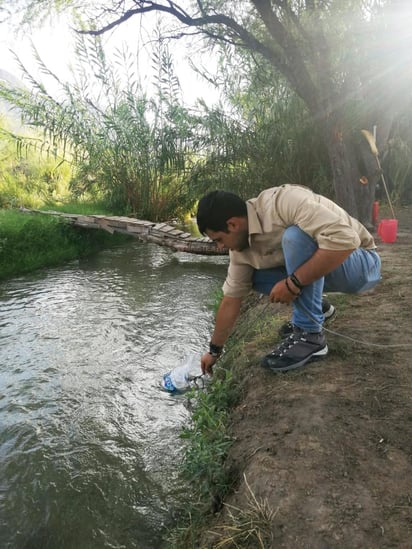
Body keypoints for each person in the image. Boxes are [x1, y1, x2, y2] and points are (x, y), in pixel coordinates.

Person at [196, 184, 381, 374]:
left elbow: (345, 240)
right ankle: (319, 310)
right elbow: (231, 299)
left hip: (363, 263)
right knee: (253, 276)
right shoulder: (240, 250)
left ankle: (310, 336)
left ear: (233, 224)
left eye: (218, 239)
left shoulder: (283, 202)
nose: (220, 247)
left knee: (295, 236)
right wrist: (214, 351)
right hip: (334, 267)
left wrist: (293, 283)